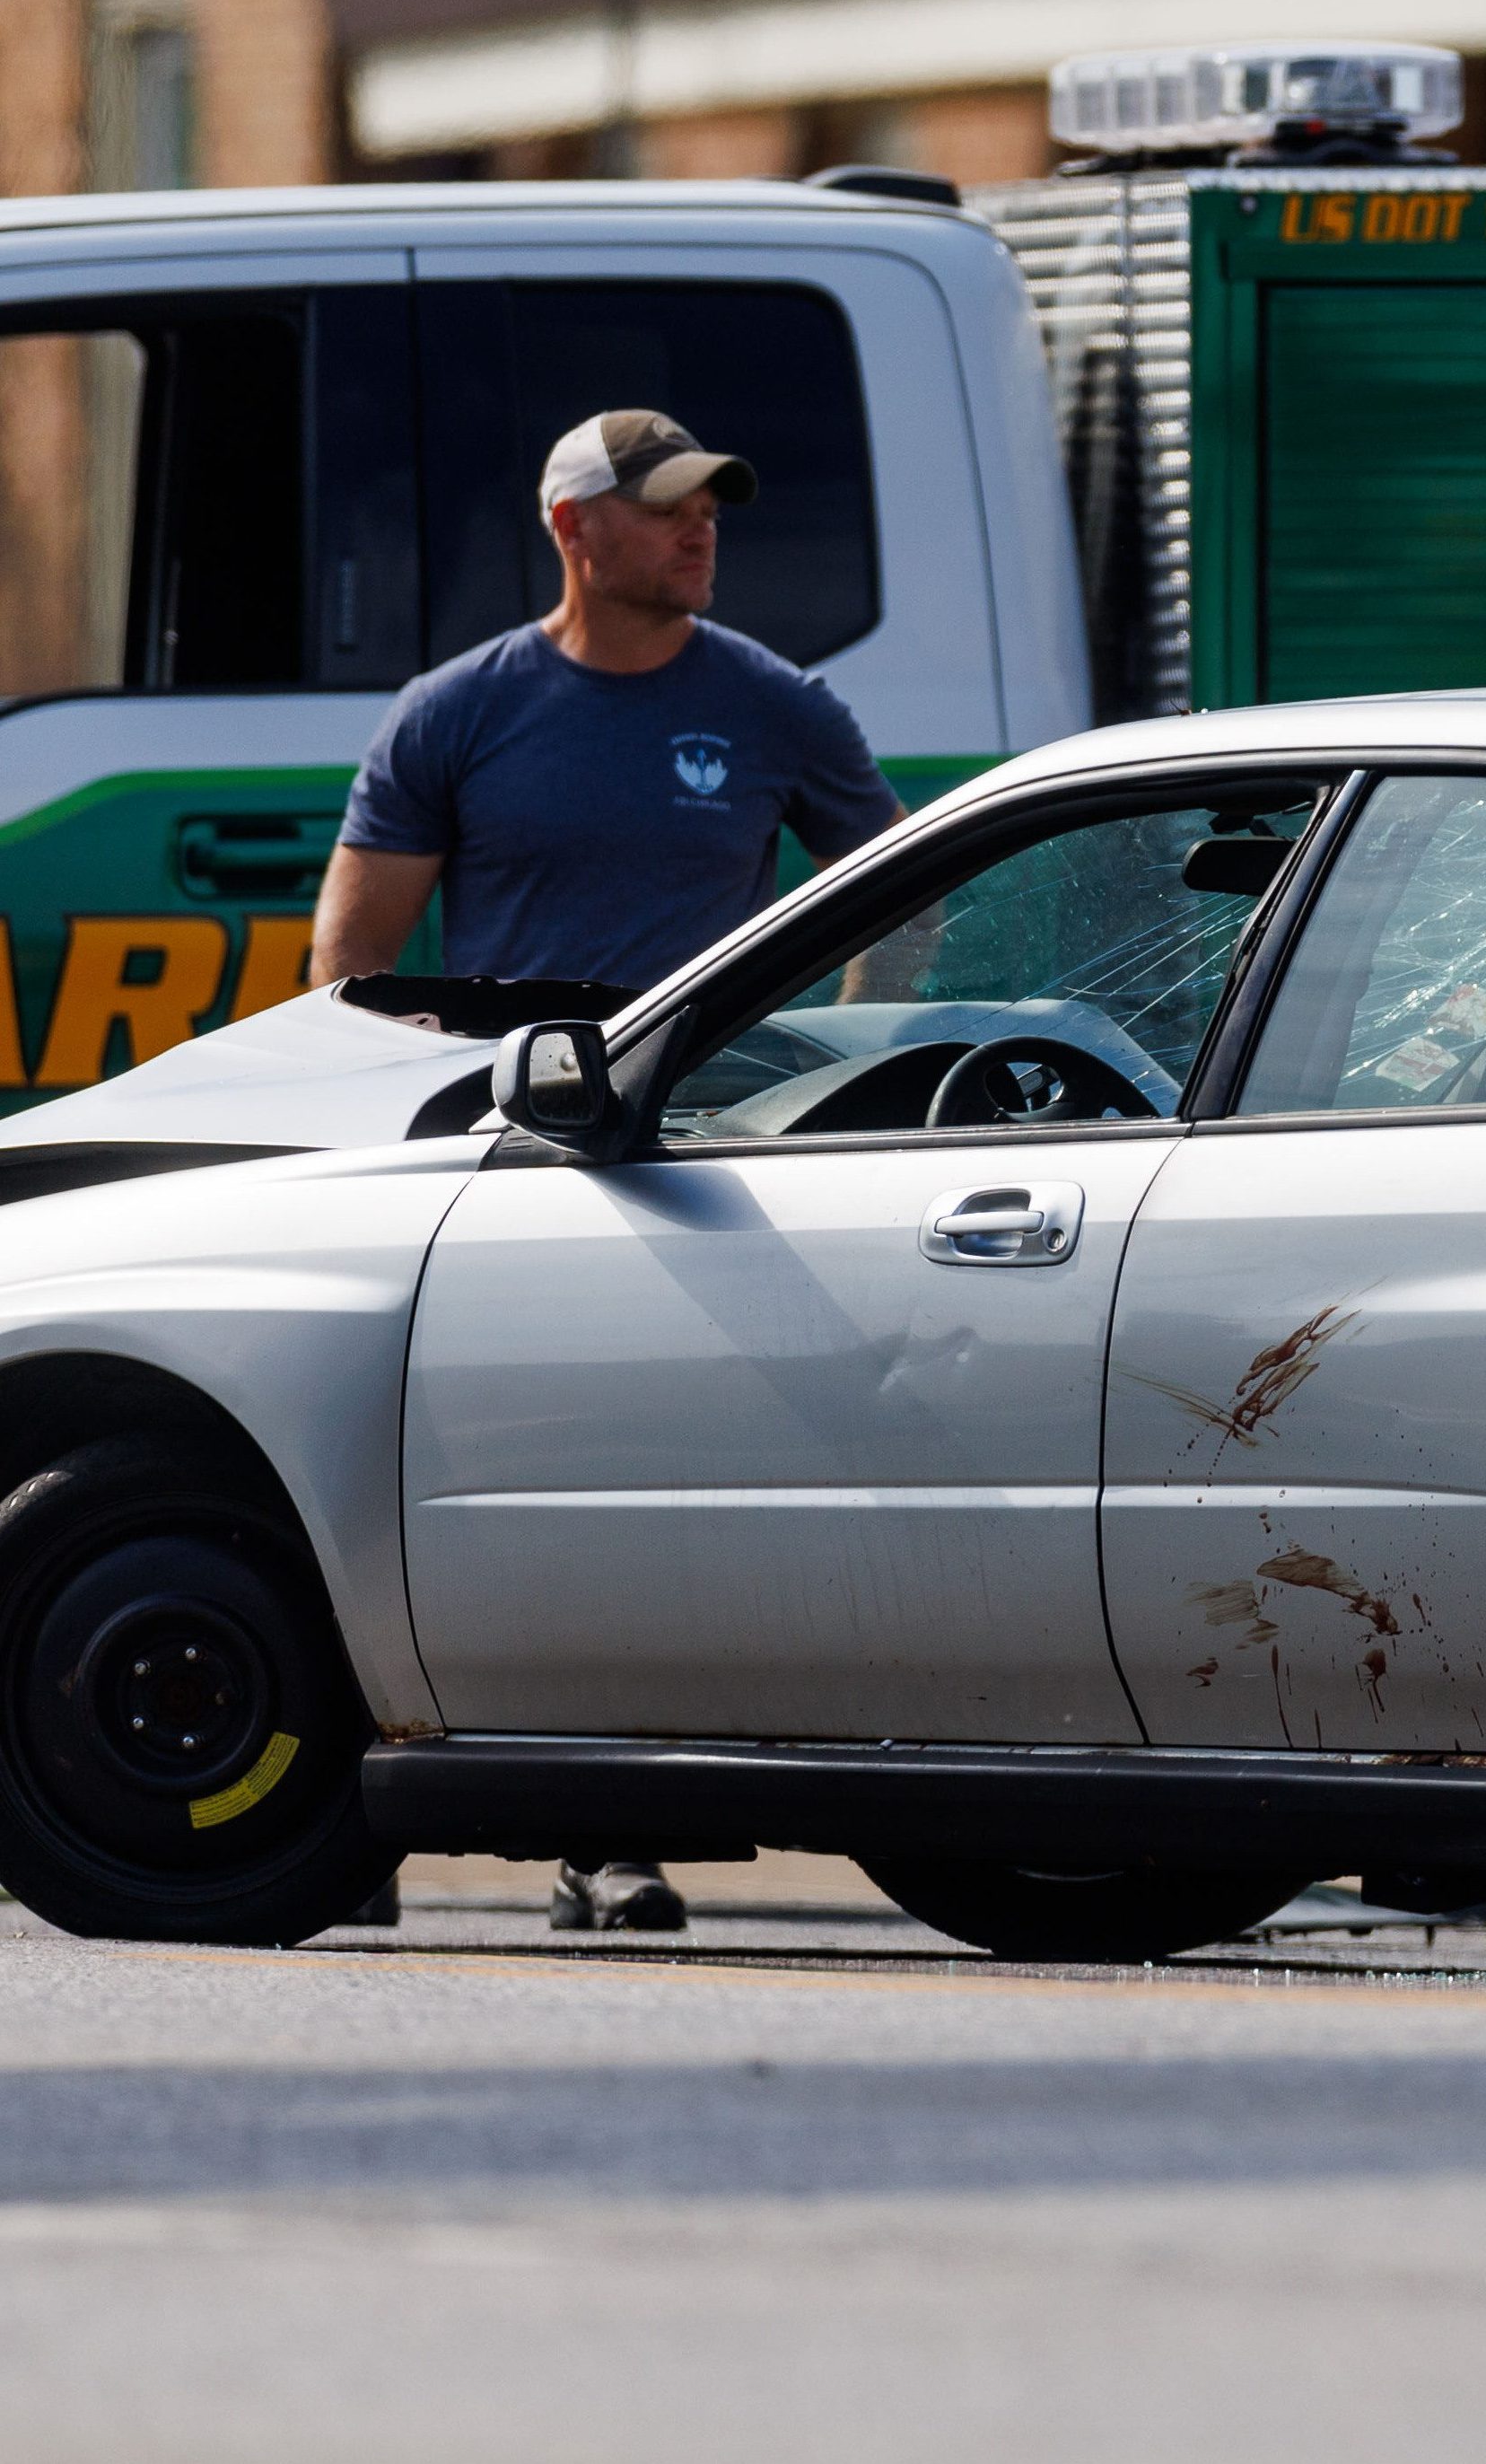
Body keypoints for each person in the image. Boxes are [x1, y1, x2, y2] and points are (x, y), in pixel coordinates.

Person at [315, 407, 904, 1934]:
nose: (704, 529)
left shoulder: (779, 707)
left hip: (707, 1163)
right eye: (669, 510)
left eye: (714, 506)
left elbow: (900, 906)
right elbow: (355, 959)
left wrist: (820, 1081)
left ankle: (611, 1825)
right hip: (518, 1162)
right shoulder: (458, 714)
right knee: (473, 1491)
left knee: (680, 1494)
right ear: (576, 528)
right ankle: (372, 1804)